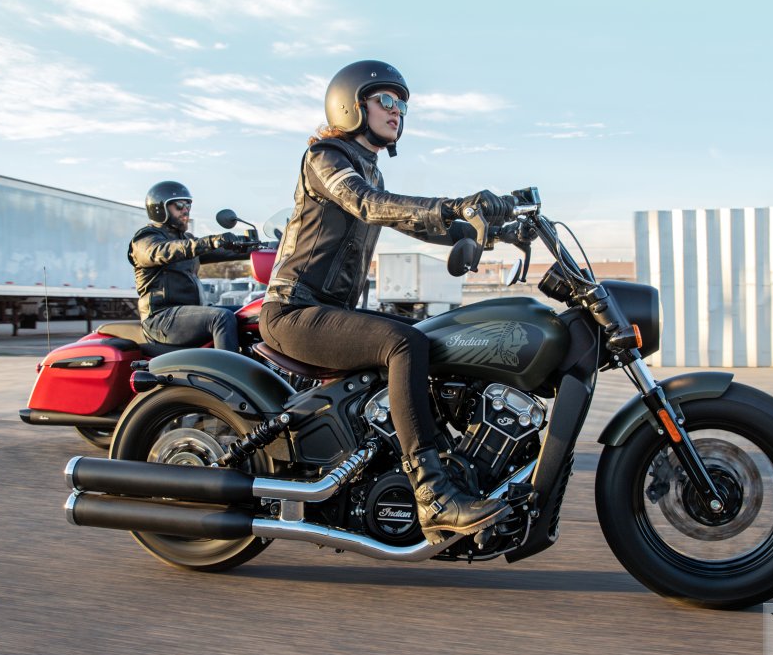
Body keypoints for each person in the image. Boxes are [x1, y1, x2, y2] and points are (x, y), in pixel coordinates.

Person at [260, 59, 518, 544]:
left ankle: (440, 467)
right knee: (404, 344)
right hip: (294, 311)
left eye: (403, 104)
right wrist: (454, 204)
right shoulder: (325, 157)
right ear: (352, 104)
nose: (398, 110)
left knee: (434, 343)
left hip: (331, 313)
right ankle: (433, 495)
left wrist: (495, 228)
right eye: (387, 100)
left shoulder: (371, 172)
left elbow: (409, 220)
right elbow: (366, 205)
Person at [129, 181, 250, 350]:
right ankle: (229, 373)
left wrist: (261, 246)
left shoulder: (187, 240)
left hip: (190, 311)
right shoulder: (145, 239)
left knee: (250, 313)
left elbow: (225, 251)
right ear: (159, 208)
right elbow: (164, 251)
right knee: (222, 317)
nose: (185, 209)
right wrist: (211, 241)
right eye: (179, 205)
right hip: (161, 317)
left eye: (188, 205)